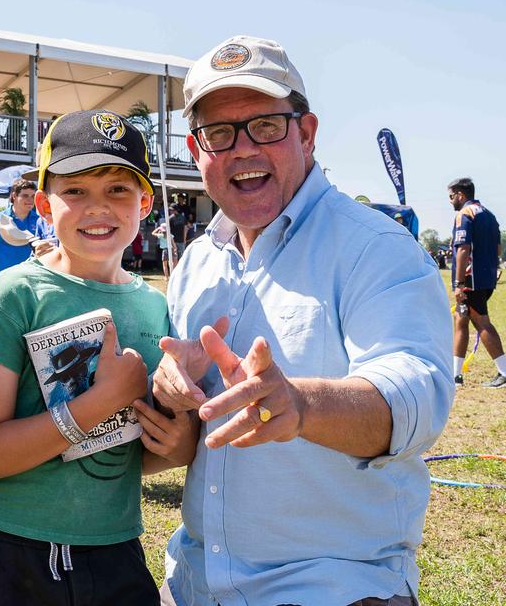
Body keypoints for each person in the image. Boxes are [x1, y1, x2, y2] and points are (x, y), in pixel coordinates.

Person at [152, 36, 452, 605]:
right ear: (198, 151)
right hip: (191, 584)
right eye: (220, 133)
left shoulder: (374, 248)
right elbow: (183, 429)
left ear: (306, 133)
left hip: (332, 586)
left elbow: (417, 395)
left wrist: (303, 405)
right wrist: (172, 387)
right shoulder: (197, 260)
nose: (242, 150)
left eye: (265, 125)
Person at [0, 110, 197, 606]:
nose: (97, 208)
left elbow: (133, 456)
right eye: (75, 191)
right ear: (43, 203)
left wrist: (180, 440)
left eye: (118, 190)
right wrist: (100, 401)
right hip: (1, 546)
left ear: (146, 203)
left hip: (112, 551)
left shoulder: (155, 307)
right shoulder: (15, 292)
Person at [448, 177, 506, 387]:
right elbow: (498, 248)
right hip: (485, 277)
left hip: (471, 279)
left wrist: (459, 284)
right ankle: (455, 375)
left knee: (480, 321)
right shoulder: (489, 214)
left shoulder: (464, 214)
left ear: (461, 194)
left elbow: (463, 249)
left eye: (451, 196)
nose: (450, 201)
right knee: (461, 319)